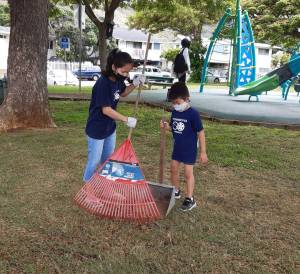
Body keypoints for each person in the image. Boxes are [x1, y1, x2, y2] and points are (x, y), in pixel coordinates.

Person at [83, 49, 146, 182]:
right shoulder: (103, 84)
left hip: (109, 128)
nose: (126, 74)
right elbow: (106, 110)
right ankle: (88, 190)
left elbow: (122, 93)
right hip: (96, 129)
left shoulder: (117, 80)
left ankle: (105, 187)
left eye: (128, 72)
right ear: (113, 67)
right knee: (94, 162)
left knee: (107, 161)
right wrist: (126, 119)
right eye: (124, 71)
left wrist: (134, 84)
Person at [160, 82, 208, 211]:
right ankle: (176, 191)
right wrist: (167, 127)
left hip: (189, 148)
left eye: (177, 102)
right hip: (178, 147)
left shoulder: (193, 114)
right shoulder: (175, 113)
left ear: (186, 99)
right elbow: (174, 129)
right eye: (173, 103)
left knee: (188, 173)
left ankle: (190, 199)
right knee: (173, 169)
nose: (175, 105)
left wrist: (203, 152)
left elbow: (201, 133)